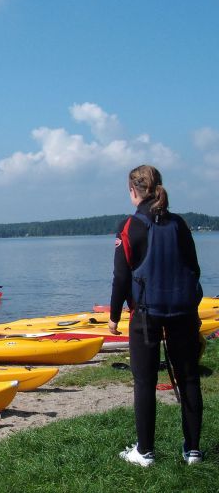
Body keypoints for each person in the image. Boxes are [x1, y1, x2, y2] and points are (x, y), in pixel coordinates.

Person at [109, 165, 203, 467]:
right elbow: (194, 268)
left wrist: (113, 315)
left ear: (133, 190)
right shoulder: (179, 224)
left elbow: (121, 277)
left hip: (146, 315)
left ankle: (145, 451)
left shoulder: (130, 226)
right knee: (188, 378)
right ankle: (193, 451)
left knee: (145, 381)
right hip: (183, 311)